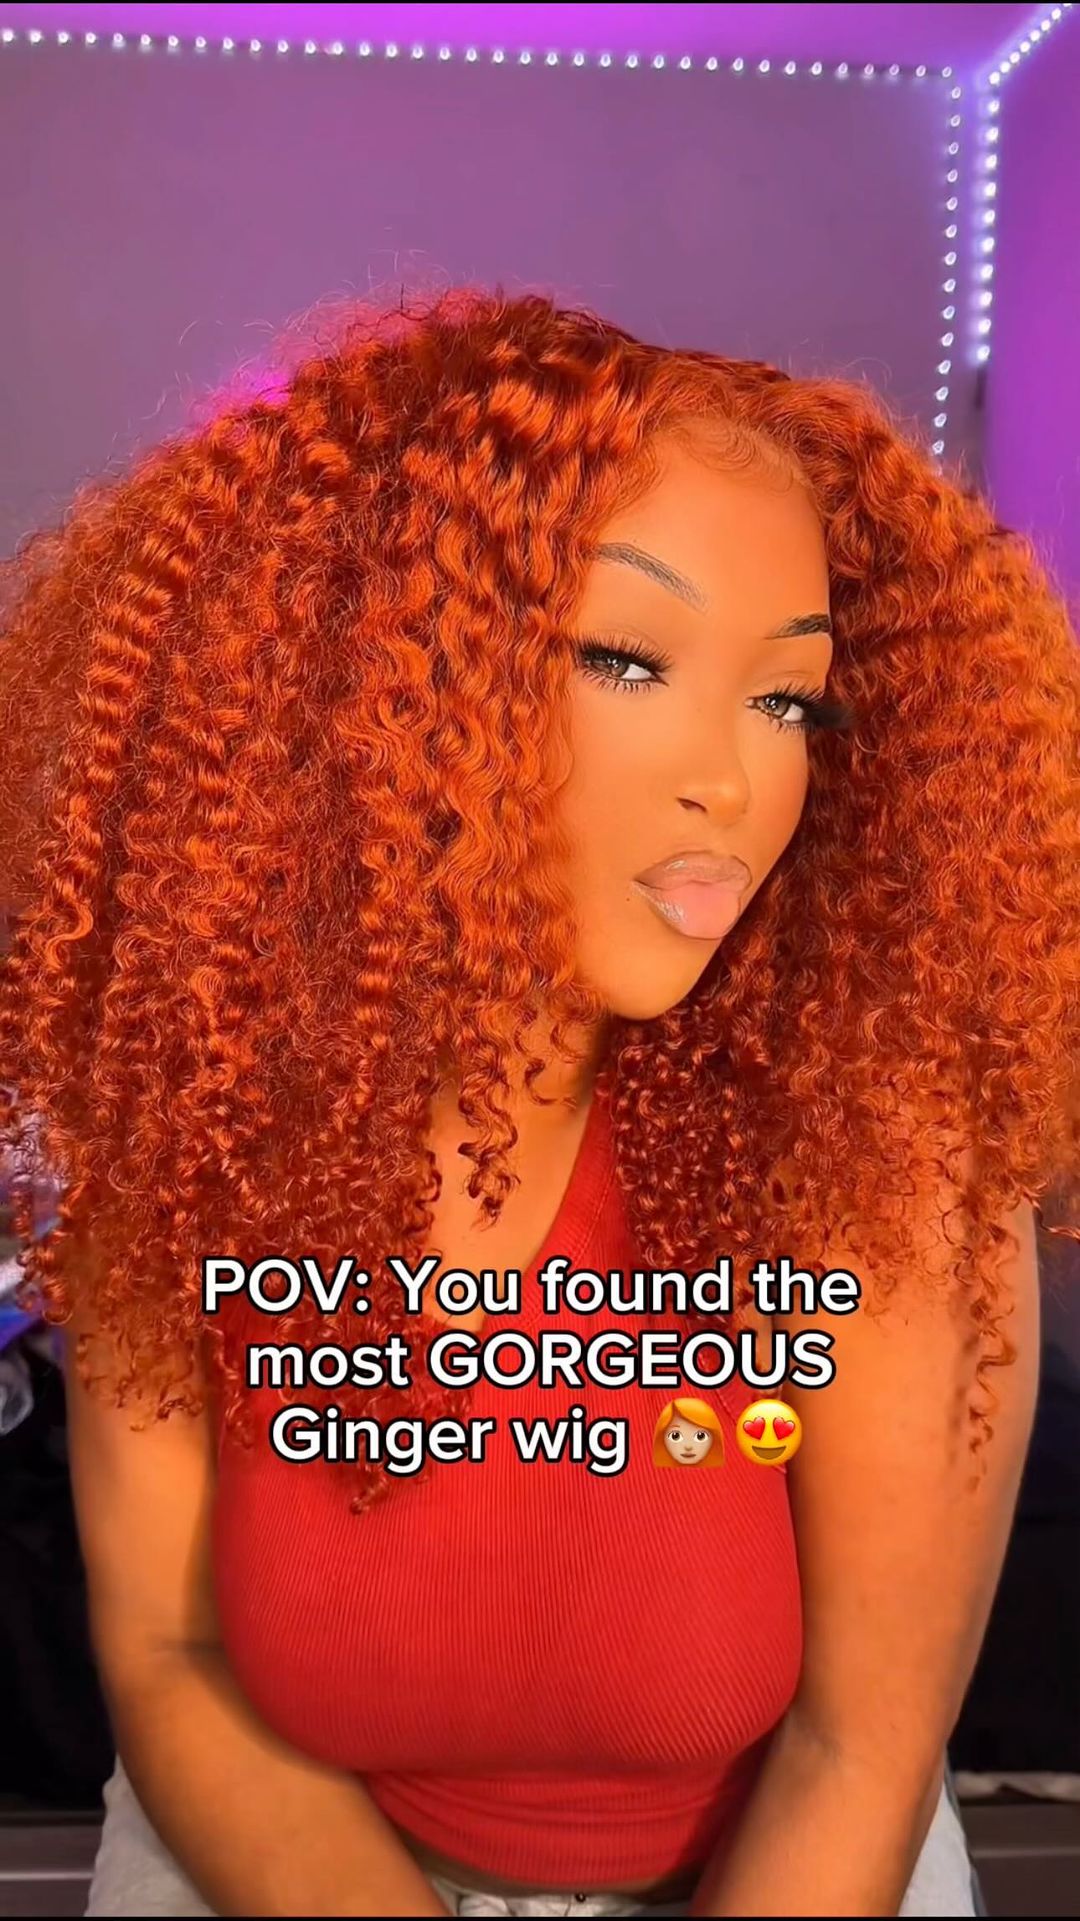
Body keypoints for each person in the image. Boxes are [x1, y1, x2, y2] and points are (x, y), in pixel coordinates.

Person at [1, 287, 1076, 1919]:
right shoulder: (196, 1127)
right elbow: (171, 1654)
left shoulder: (872, 1149)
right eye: (629, 659)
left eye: (789, 698)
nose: (736, 779)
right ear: (369, 687)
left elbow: (863, 1745)